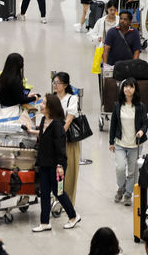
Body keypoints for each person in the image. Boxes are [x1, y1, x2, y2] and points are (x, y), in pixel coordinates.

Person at [25, 94, 80, 232]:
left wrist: (60, 165)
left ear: (51, 107)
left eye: (43, 103)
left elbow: (61, 147)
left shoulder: (57, 125)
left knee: (58, 192)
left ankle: (73, 216)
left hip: (56, 165)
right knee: (44, 193)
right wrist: (31, 131)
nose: (41, 105)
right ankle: (44, 223)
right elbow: (43, 135)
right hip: (44, 163)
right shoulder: (44, 119)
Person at [109, 77, 148, 205]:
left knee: (133, 171)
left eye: (131, 86)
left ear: (135, 89)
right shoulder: (117, 106)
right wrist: (111, 141)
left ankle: (128, 193)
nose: (128, 89)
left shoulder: (140, 106)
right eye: (126, 86)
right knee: (120, 168)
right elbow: (113, 124)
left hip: (135, 145)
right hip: (120, 143)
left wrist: (142, 131)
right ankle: (121, 187)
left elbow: (145, 123)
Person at [53, 72, 82, 204]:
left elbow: (69, 120)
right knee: (55, 171)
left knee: (69, 171)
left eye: (57, 83)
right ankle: (57, 198)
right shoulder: (52, 98)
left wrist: (59, 134)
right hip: (53, 139)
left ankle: (68, 200)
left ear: (65, 85)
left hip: (67, 140)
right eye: (54, 82)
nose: (55, 85)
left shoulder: (72, 99)